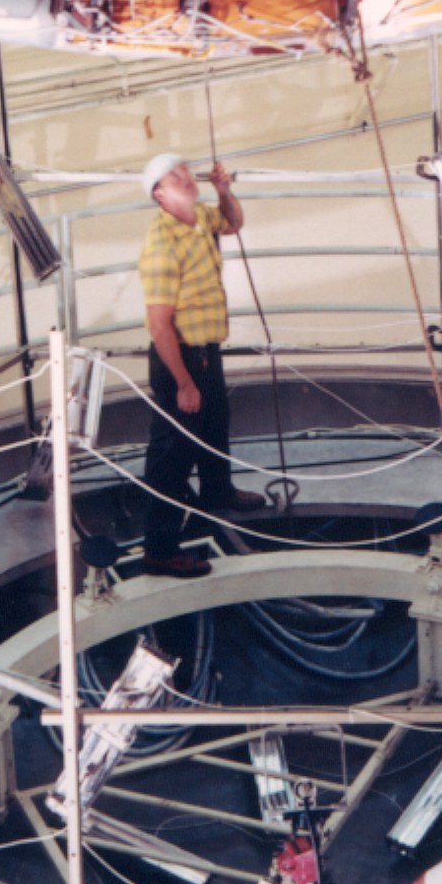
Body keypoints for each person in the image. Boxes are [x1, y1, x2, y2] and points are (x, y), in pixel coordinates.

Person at [135, 149, 261, 577]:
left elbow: (235, 222)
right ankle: (160, 549)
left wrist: (224, 191)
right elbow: (159, 326)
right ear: (159, 194)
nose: (187, 177)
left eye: (185, 170)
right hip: (181, 360)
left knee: (214, 426)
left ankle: (218, 492)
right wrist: (184, 383)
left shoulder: (202, 218)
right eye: (175, 175)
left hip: (206, 351)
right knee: (172, 454)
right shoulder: (161, 245)